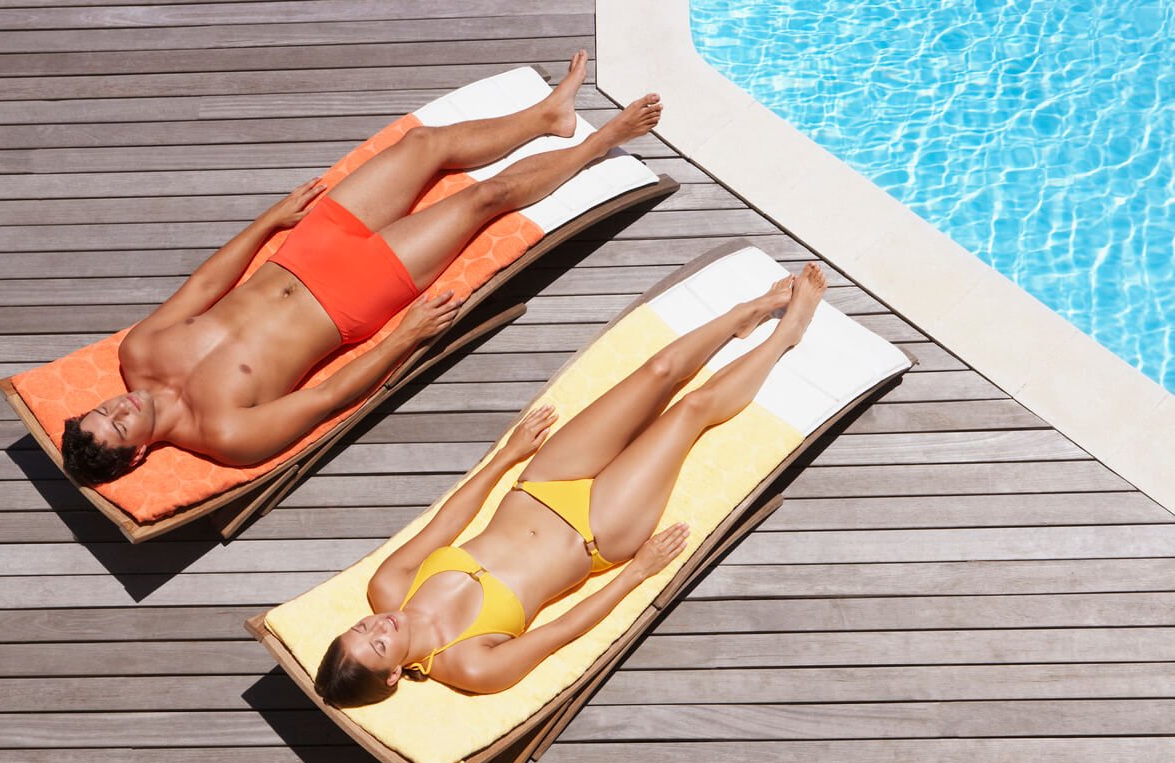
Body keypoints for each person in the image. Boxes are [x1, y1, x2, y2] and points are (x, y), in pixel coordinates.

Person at [61, 51, 663, 484]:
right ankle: (596, 142)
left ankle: (547, 116)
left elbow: (205, 286)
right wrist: (405, 336)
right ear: (138, 455)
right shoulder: (226, 437)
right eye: (118, 427)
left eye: (103, 410)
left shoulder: (137, 354)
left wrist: (268, 223)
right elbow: (328, 398)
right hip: (353, 295)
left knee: (421, 147)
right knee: (483, 199)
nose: (119, 408)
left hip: (303, 253)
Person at [314, 262, 828, 706]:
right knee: (689, 411)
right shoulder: (471, 667)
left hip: (540, 483)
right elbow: (560, 632)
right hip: (599, 530)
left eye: (361, 628)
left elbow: (448, 521)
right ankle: (788, 334)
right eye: (379, 644)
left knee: (658, 371)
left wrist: (506, 458)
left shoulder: (387, 588)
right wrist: (635, 575)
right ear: (393, 675)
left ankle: (748, 314)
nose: (381, 626)